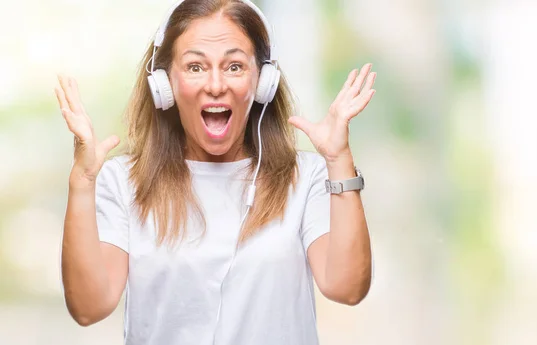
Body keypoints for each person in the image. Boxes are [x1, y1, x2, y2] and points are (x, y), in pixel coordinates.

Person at [54, 0, 375, 344]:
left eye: (234, 66)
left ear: (263, 80)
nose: (216, 84)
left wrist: (339, 158)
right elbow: (89, 307)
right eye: (195, 67)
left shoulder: (306, 176)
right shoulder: (123, 181)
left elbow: (347, 288)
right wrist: (82, 182)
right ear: (165, 84)